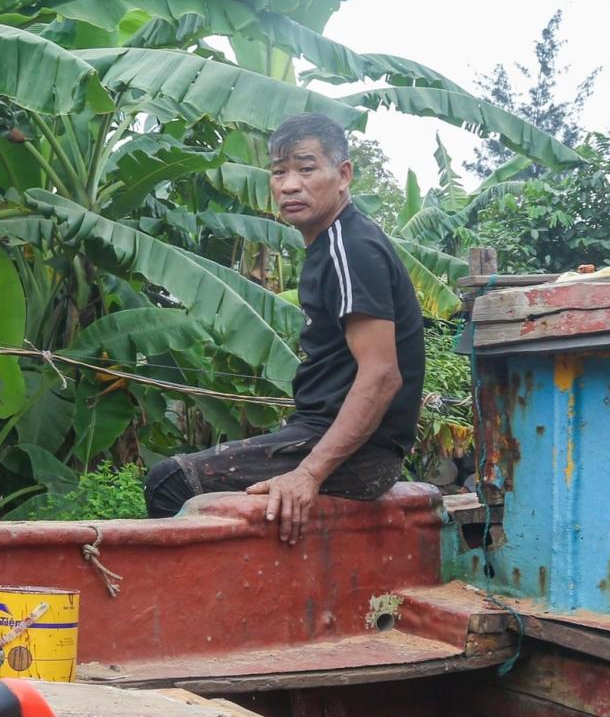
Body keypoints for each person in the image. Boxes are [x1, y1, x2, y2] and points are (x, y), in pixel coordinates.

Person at [144, 112, 425, 542]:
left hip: (359, 454)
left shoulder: (350, 248)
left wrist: (308, 474)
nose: (289, 184)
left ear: (343, 174)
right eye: (279, 172)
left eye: (306, 168)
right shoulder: (333, 244)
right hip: (330, 439)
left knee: (170, 483)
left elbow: (382, 374)